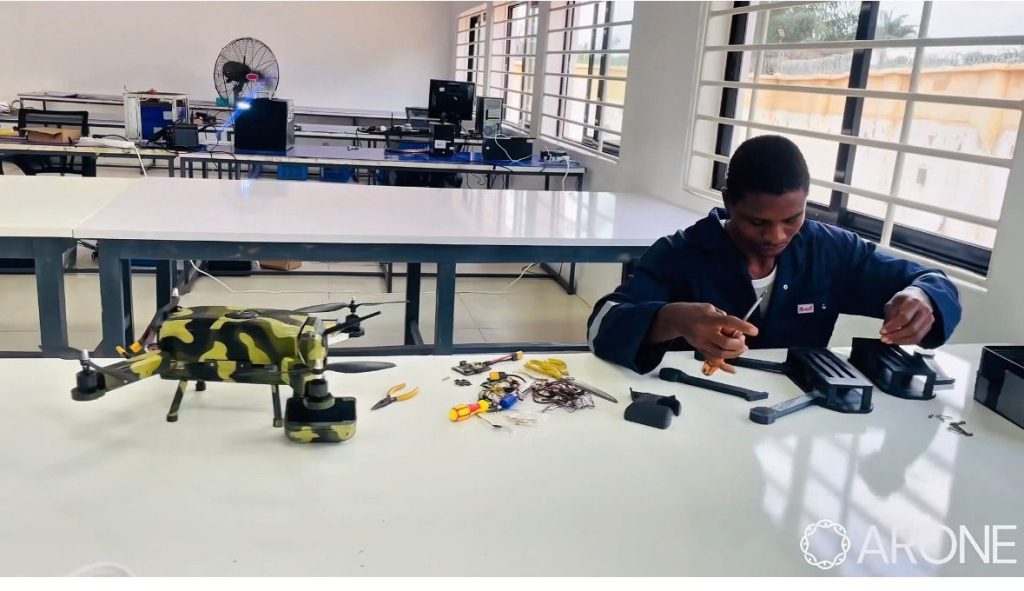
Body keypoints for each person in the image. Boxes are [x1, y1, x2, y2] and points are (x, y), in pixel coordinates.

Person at [586, 135, 962, 374]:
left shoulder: (831, 252)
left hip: (795, 422)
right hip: (694, 412)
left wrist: (921, 297)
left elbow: (931, 280)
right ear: (728, 201)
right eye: (757, 222)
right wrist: (671, 319)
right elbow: (601, 326)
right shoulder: (681, 254)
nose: (776, 236)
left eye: (792, 219)